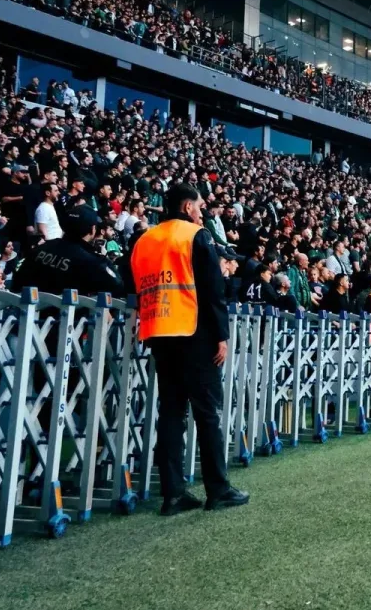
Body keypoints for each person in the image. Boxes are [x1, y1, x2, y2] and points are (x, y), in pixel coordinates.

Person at [130, 183, 248, 515]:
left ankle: (173, 494)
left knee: (170, 412)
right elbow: (212, 289)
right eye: (199, 206)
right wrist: (221, 335)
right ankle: (218, 489)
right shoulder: (195, 236)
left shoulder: (144, 240)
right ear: (187, 207)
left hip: (157, 332)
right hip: (194, 332)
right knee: (207, 413)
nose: (201, 212)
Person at [10, 206, 124, 297]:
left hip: (27, 312)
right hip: (69, 316)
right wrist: (104, 259)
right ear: (93, 229)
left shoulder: (40, 249)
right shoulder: (92, 261)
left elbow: (18, 280)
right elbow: (118, 287)